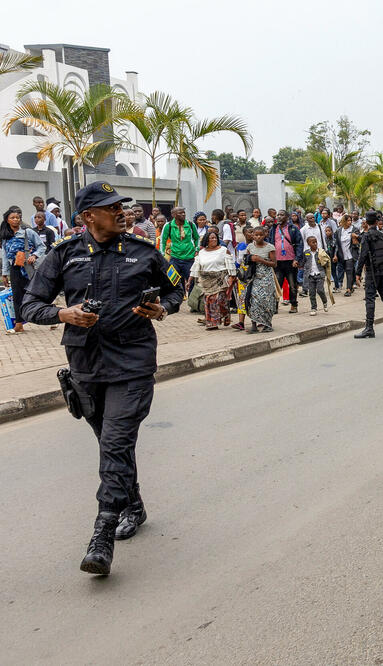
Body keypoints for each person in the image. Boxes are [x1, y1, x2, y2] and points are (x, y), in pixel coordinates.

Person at [20, 181, 184, 575]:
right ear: (88, 216)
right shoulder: (63, 255)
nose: (121, 213)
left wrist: (162, 309)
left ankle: (102, 534)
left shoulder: (144, 251)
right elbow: (29, 305)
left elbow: (176, 290)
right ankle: (134, 505)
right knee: (111, 443)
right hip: (86, 364)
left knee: (114, 442)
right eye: (112, 208)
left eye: (121, 207)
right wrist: (63, 314)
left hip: (133, 362)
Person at [1, 207, 46, 333]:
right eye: (12, 218)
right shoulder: (5, 236)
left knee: (36, 294)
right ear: (7, 220)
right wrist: (5, 273)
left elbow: (41, 247)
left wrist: (34, 256)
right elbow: (5, 256)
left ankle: (52, 317)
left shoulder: (28, 233)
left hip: (29, 268)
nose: (15, 219)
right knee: (17, 296)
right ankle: (19, 324)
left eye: (17, 217)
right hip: (15, 269)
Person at [354, 211, 383, 338]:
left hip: (372, 272)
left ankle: (369, 328)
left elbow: (363, 256)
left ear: (366, 222)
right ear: (377, 222)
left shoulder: (366, 236)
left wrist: (358, 273)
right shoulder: (382, 235)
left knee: (370, 298)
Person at [188, 229, 236, 330]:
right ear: (206, 240)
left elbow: (230, 265)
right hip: (206, 280)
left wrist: (232, 277)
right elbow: (195, 267)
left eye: (215, 238)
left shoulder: (223, 250)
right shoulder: (201, 253)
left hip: (220, 279)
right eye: (211, 238)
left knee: (219, 300)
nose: (214, 240)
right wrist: (189, 280)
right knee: (209, 301)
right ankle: (212, 322)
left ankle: (225, 313)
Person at [267, 210, 303, 313]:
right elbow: (270, 243)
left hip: (290, 261)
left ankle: (294, 305)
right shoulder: (274, 229)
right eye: (278, 215)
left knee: (292, 285)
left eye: (281, 215)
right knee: (277, 285)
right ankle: (275, 306)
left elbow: (299, 244)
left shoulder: (293, 228)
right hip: (277, 262)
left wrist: (297, 259)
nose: (279, 217)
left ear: (287, 217)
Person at [159, 207, 199, 294]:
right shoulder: (168, 225)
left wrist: (197, 249)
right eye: (180, 213)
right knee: (173, 280)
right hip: (175, 258)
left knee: (192, 281)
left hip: (189, 258)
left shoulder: (191, 224)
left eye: (184, 212)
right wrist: (162, 255)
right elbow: (163, 241)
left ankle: (191, 300)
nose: (183, 214)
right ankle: (177, 297)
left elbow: (197, 238)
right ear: (173, 215)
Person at [245, 226, 277, 333]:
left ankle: (267, 324)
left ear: (265, 235)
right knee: (253, 300)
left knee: (266, 300)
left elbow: (274, 264)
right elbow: (246, 260)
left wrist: (261, 260)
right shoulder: (250, 246)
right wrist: (250, 258)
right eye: (256, 235)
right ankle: (254, 324)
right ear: (253, 236)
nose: (258, 237)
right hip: (254, 277)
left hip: (266, 278)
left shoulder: (270, 247)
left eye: (261, 235)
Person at [302, 235, 332, 315]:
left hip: (319, 274)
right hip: (310, 275)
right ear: (308, 244)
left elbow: (327, 260)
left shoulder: (321, 252)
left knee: (320, 290)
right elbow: (303, 262)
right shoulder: (306, 253)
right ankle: (313, 308)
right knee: (312, 293)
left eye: (316, 242)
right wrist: (298, 264)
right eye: (313, 242)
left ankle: (324, 302)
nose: (315, 244)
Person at [332, 217, 357, 297]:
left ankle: (348, 289)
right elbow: (336, 244)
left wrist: (355, 238)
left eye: (350, 220)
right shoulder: (339, 231)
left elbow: (359, 241)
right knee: (346, 270)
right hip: (341, 255)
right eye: (348, 220)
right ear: (344, 221)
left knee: (349, 270)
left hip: (351, 254)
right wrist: (335, 255)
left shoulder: (354, 229)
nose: (350, 222)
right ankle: (351, 286)